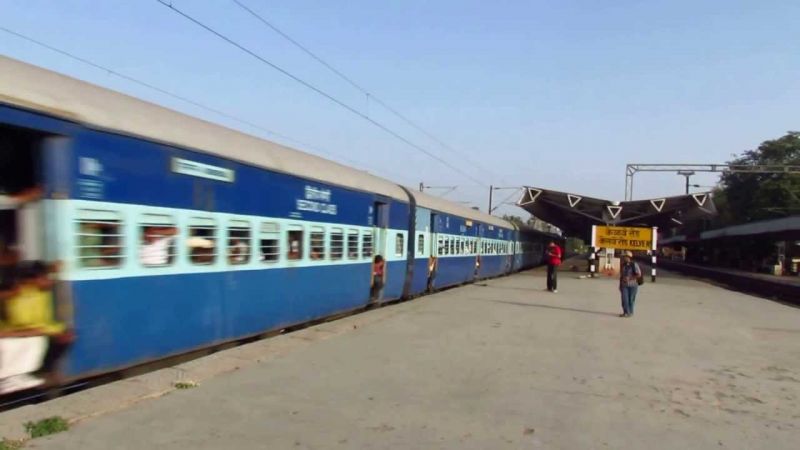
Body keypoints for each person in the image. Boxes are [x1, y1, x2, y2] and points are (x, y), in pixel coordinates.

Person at [619, 251, 642, 318]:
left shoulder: (634, 264)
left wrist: (630, 278)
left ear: (629, 257)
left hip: (633, 285)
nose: (624, 258)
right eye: (623, 257)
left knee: (631, 299)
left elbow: (639, 274)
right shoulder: (623, 265)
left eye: (625, 256)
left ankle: (630, 312)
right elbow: (621, 275)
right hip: (624, 285)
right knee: (624, 299)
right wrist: (620, 285)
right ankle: (626, 312)